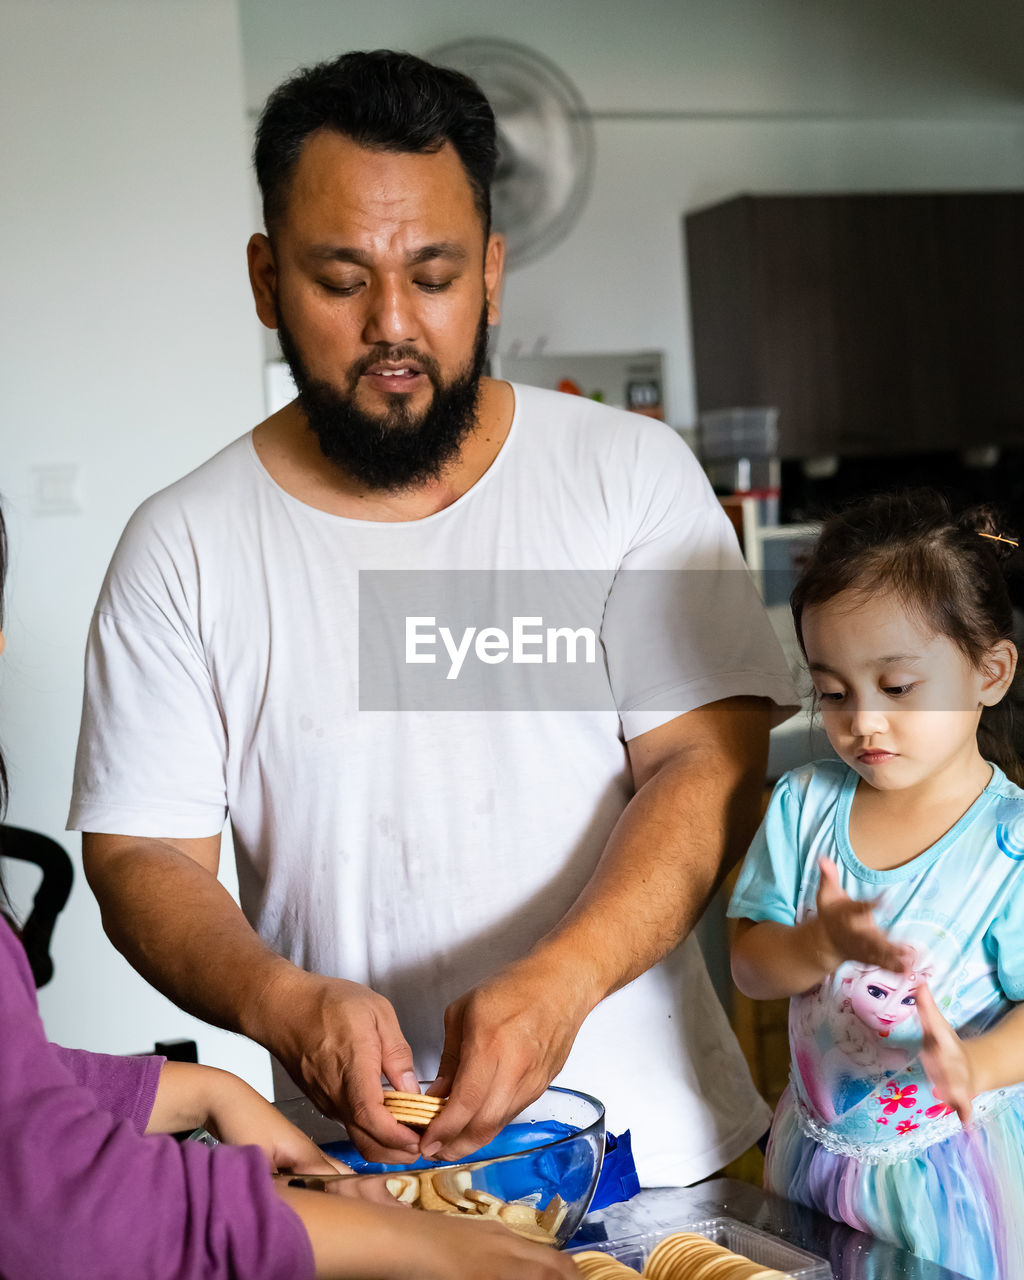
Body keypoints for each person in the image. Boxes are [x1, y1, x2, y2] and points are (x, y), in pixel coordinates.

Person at [69, 49, 797, 1185]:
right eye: (341, 277)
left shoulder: (630, 473)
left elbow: (708, 762)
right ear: (266, 280)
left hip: (662, 1156)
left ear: (494, 274)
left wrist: (561, 983)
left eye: (436, 273)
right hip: (355, 1179)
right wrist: (282, 1001)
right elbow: (143, 854)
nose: (392, 324)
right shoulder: (182, 545)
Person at [0, 507, 577, 1280]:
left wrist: (192, 1090)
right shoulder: (183, 544)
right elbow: (54, 1206)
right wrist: (411, 1242)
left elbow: (16, 1092)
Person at [728, 489, 1024, 1279]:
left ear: (989, 672)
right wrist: (816, 944)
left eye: (897, 688)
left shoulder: (1013, 844)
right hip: (812, 1157)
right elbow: (751, 969)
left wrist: (979, 1065)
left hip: (950, 1173)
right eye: (832, 692)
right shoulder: (804, 805)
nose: (864, 723)